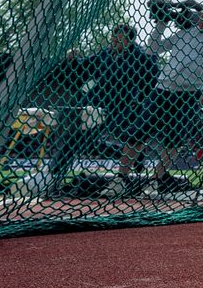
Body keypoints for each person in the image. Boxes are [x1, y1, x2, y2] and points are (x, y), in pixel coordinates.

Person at [102, 2, 203, 199]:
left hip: (190, 94)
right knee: (138, 133)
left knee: (174, 140)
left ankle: (155, 181)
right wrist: (161, 24)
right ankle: (120, 179)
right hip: (162, 89)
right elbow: (152, 49)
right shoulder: (186, 31)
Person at [52, 24, 158, 190]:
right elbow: (85, 66)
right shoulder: (105, 53)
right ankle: (55, 173)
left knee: (126, 138)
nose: (114, 41)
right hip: (95, 102)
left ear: (129, 41)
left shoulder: (140, 56)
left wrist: (139, 100)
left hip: (122, 106)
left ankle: (133, 155)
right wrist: (73, 60)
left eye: (119, 38)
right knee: (80, 140)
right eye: (113, 38)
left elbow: (152, 77)